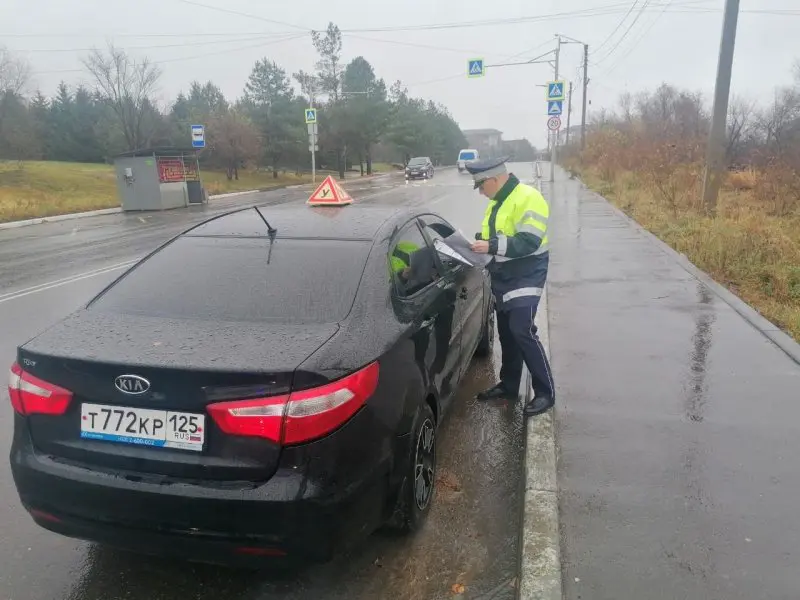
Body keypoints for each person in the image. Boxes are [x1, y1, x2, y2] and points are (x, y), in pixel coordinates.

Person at [466, 156, 555, 417]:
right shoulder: (496, 204)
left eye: (482, 186)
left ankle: (545, 392)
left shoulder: (528, 196)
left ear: (495, 179)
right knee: (507, 332)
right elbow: (495, 237)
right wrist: (475, 244)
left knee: (522, 330)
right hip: (503, 277)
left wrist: (491, 245)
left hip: (527, 274)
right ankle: (509, 385)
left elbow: (529, 240)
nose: (481, 192)